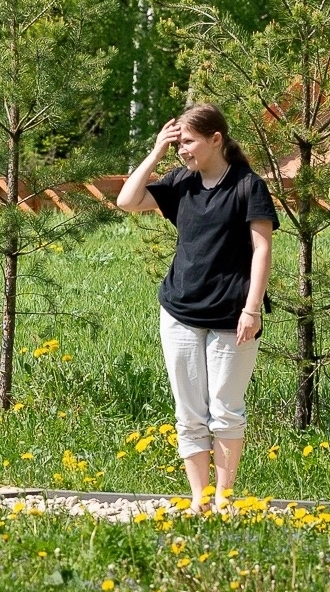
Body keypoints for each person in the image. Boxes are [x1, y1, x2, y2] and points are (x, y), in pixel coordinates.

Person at [114, 103, 275, 514]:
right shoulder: (180, 182)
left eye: (187, 142)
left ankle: (223, 497)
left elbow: (262, 250)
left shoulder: (247, 185)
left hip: (232, 316)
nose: (181, 150)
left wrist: (252, 310)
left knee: (225, 410)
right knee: (189, 413)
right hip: (180, 313)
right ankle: (199, 499)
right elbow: (126, 201)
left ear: (215, 139)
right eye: (177, 143)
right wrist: (154, 153)